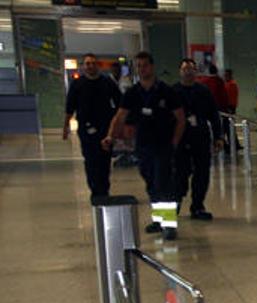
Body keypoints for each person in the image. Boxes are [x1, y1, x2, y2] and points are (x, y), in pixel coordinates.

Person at [103, 51, 185, 241]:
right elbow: (120, 117)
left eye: (145, 65)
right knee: (151, 185)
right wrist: (110, 137)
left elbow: (180, 119)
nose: (142, 69)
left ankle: (169, 225)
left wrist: (174, 142)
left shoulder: (166, 91)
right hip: (143, 146)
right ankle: (159, 220)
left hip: (163, 145)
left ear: (152, 66)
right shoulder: (133, 93)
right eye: (139, 66)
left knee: (162, 184)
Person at [63, 53, 121, 201]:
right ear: (83, 66)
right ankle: (95, 190)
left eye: (93, 63)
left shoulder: (107, 83)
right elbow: (70, 107)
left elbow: (120, 104)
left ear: (98, 66)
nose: (90, 66)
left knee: (104, 160)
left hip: (105, 129)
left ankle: (103, 189)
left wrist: (120, 125)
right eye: (87, 64)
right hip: (86, 129)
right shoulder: (77, 84)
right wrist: (66, 127)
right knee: (90, 160)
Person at [173, 58, 224, 221]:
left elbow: (214, 116)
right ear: (180, 71)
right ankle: (174, 206)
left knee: (202, 174)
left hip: (200, 138)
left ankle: (198, 206)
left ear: (196, 72)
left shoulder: (204, 91)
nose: (188, 72)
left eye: (191, 69)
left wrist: (219, 137)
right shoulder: (172, 92)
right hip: (180, 139)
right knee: (179, 174)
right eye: (185, 69)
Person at [223, 68, 241, 152]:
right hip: (227, 107)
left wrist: (231, 108)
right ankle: (234, 144)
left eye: (226, 75)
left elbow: (232, 97)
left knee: (228, 127)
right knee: (228, 127)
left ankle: (232, 144)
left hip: (229, 108)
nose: (225, 76)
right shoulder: (227, 84)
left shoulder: (232, 84)